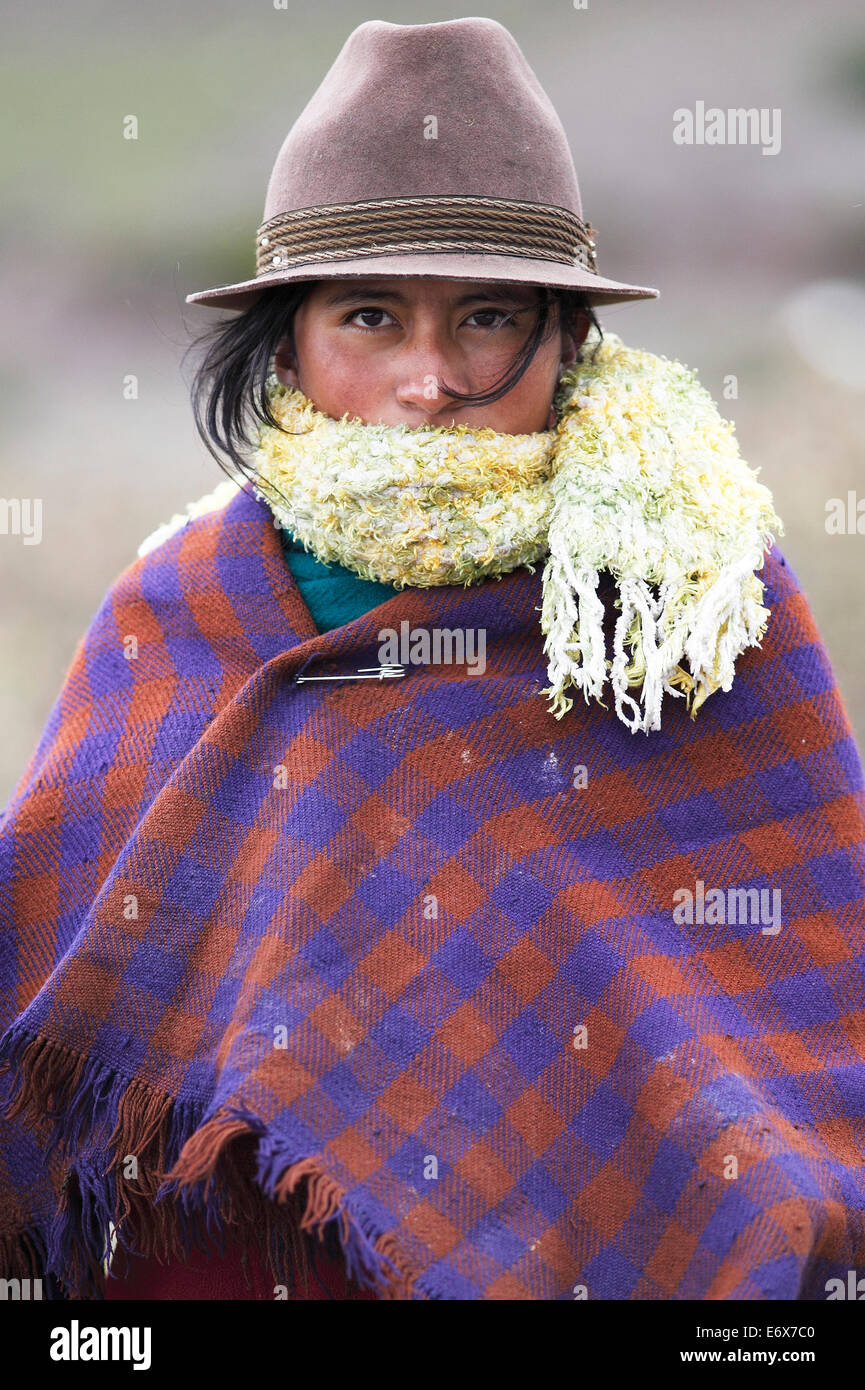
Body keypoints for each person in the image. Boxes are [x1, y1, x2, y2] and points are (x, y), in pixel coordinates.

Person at [1, 17, 864, 1303]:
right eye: (369, 315)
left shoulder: (691, 595)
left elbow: (795, 1008)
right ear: (285, 342)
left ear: (569, 340)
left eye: (487, 318)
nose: (429, 380)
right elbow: (63, 1008)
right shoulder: (172, 610)